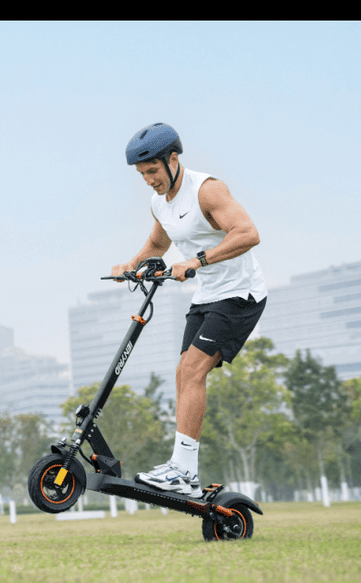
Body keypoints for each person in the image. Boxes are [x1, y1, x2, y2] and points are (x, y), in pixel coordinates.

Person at [112, 122, 267, 497]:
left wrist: (197, 261)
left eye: (152, 170)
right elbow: (157, 244)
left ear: (172, 159)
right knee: (184, 373)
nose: (149, 180)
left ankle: (182, 471)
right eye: (142, 174)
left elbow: (248, 233)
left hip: (240, 294)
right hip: (207, 295)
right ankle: (184, 470)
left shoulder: (206, 190)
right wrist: (130, 265)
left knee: (194, 369)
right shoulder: (159, 203)